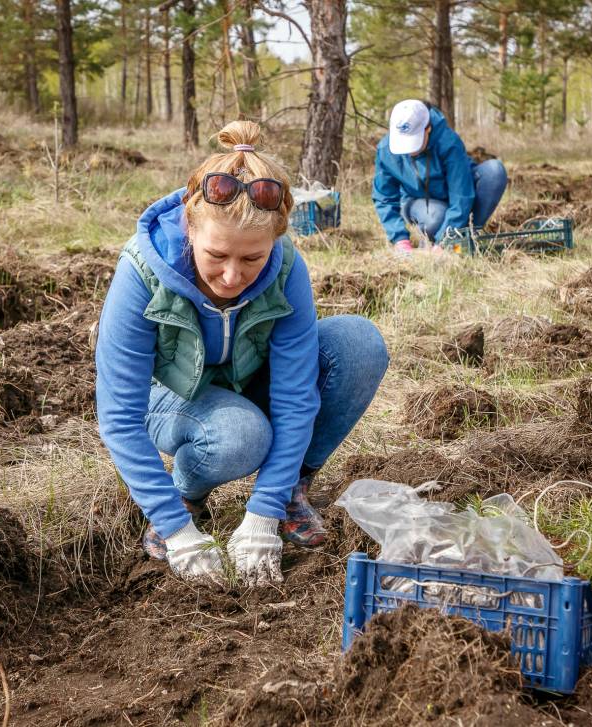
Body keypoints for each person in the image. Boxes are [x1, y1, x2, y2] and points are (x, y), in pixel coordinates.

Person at [95, 120, 389, 589]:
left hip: (247, 377)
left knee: (357, 343)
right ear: (190, 226)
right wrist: (177, 531)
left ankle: (289, 489)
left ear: (275, 239)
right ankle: (186, 497)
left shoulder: (286, 264)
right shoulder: (141, 271)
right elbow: (118, 416)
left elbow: (295, 396)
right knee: (239, 434)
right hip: (171, 394)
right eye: (217, 255)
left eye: (252, 259)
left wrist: (263, 513)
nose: (232, 276)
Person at [372, 99, 509, 256]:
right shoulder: (385, 150)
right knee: (437, 216)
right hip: (417, 202)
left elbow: (461, 194)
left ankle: (464, 236)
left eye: (413, 142)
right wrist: (399, 239)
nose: (408, 151)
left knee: (495, 171)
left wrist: (444, 241)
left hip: (455, 197)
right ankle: (452, 235)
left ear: (428, 129)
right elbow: (384, 198)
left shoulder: (448, 142)